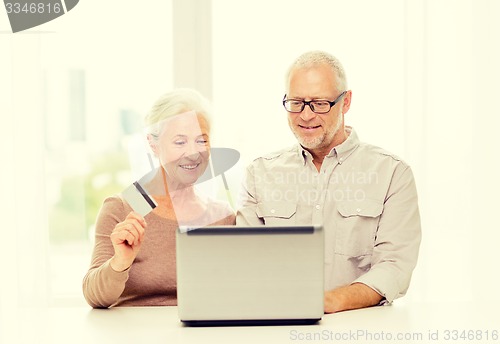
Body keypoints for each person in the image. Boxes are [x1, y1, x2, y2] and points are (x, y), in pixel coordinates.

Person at [236, 51, 421, 313]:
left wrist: (330, 301)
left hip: (360, 329)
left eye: (320, 103)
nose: (306, 115)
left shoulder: (392, 173)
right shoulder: (259, 173)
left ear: (345, 102)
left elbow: (394, 266)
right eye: (296, 102)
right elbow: (245, 263)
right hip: (278, 325)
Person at [83, 89, 235, 308]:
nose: (193, 153)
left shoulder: (222, 216)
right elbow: (94, 297)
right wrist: (120, 262)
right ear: (153, 145)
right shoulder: (121, 208)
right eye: (180, 142)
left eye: (201, 141)